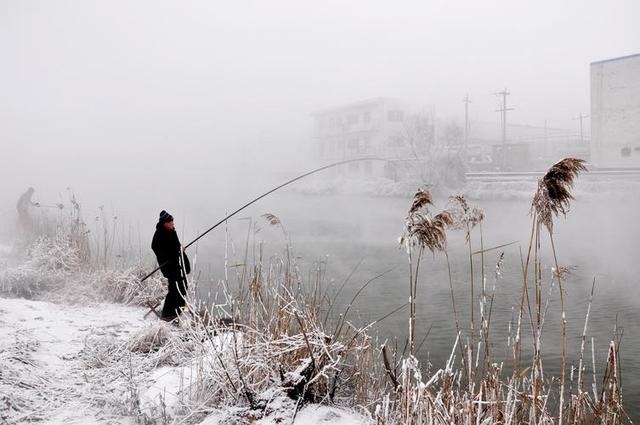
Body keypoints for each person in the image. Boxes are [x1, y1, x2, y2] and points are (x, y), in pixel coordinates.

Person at [151, 210, 191, 321]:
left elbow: (175, 246)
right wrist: (169, 256)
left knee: (182, 288)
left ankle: (180, 312)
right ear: (165, 223)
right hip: (170, 267)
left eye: (172, 221)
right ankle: (167, 316)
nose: (173, 224)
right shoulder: (160, 233)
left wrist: (180, 249)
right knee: (175, 291)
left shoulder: (171, 231)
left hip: (178, 265)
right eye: (171, 222)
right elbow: (155, 247)